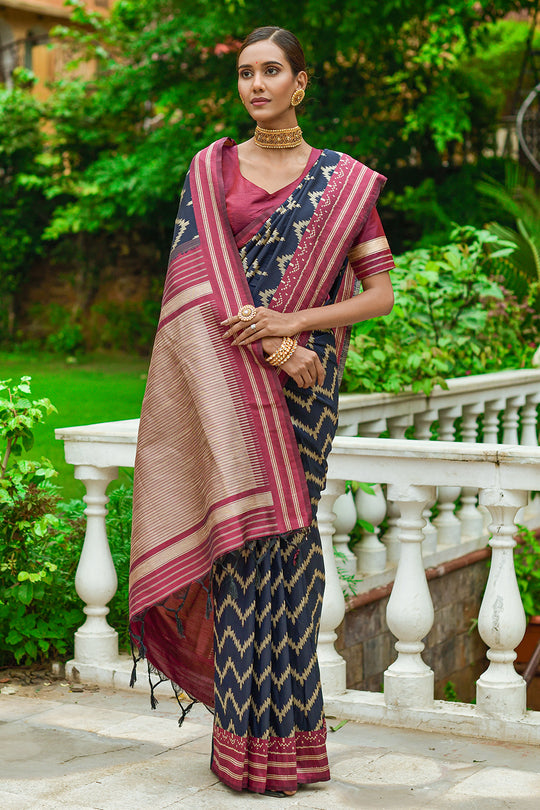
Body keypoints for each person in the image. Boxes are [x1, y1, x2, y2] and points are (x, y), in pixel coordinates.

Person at [129, 25, 394, 798]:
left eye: (272, 71)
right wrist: (279, 346)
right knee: (243, 556)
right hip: (229, 389)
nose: (256, 84)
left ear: (300, 83)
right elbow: (195, 291)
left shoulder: (342, 183)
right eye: (246, 72)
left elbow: (377, 295)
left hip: (306, 396)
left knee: (292, 561)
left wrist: (296, 325)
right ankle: (244, 751)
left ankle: (295, 749)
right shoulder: (209, 170)